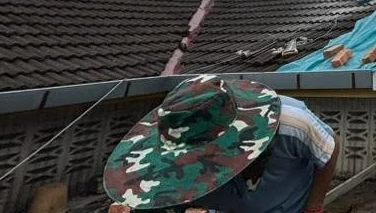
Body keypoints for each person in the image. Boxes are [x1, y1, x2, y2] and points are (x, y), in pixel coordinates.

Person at [103, 74, 339, 213]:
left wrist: (314, 206)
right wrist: (132, 206)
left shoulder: (293, 122)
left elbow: (330, 148)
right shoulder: (165, 135)